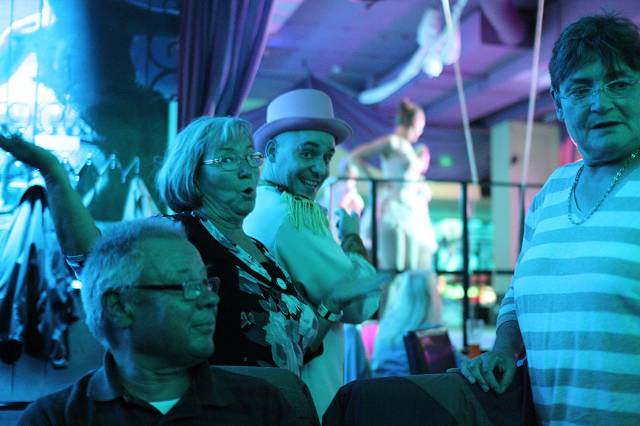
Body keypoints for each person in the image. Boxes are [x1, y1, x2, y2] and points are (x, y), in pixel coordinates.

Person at [0, 117, 368, 377]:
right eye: (228, 159)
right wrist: (53, 173)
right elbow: (93, 260)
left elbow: (302, 342)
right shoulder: (177, 233)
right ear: (193, 174)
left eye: (249, 157)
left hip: (275, 410)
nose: (247, 170)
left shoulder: (261, 252)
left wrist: (333, 302)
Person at [459, 13, 640, 424]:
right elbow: (516, 296)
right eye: (581, 89)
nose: (600, 103)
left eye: (619, 83)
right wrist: (504, 349)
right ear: (558, 103)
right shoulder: (552, 192)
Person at [18, 218, 297, 425]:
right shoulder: (54, 419)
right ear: (119, 307)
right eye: (188, 286)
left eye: (206, 284)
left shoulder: (263, 406)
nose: (210, 300)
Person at [244, 88, 382, 417]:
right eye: (308, 153)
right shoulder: (292, 217)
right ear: (272, 151)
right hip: (308, 395)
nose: (320, 168)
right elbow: (362, 303)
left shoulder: (257, 206)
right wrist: (352, 237)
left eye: (326, 157)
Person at [349, 98, 438, 272]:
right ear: (415, 123)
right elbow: (355, 156)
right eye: (421, 126)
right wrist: (375, 180)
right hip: (393, 210)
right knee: (394, 267)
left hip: (410, 211)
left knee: (410, 269)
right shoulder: (393, 142)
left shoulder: (409, 148)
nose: (421, 131)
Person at [371, 270, 441, 377]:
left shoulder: (385, 329)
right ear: (428, 298)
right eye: (437, 293)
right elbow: (459, 369)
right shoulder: (429, 334)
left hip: (381, 387)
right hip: (414, 387)